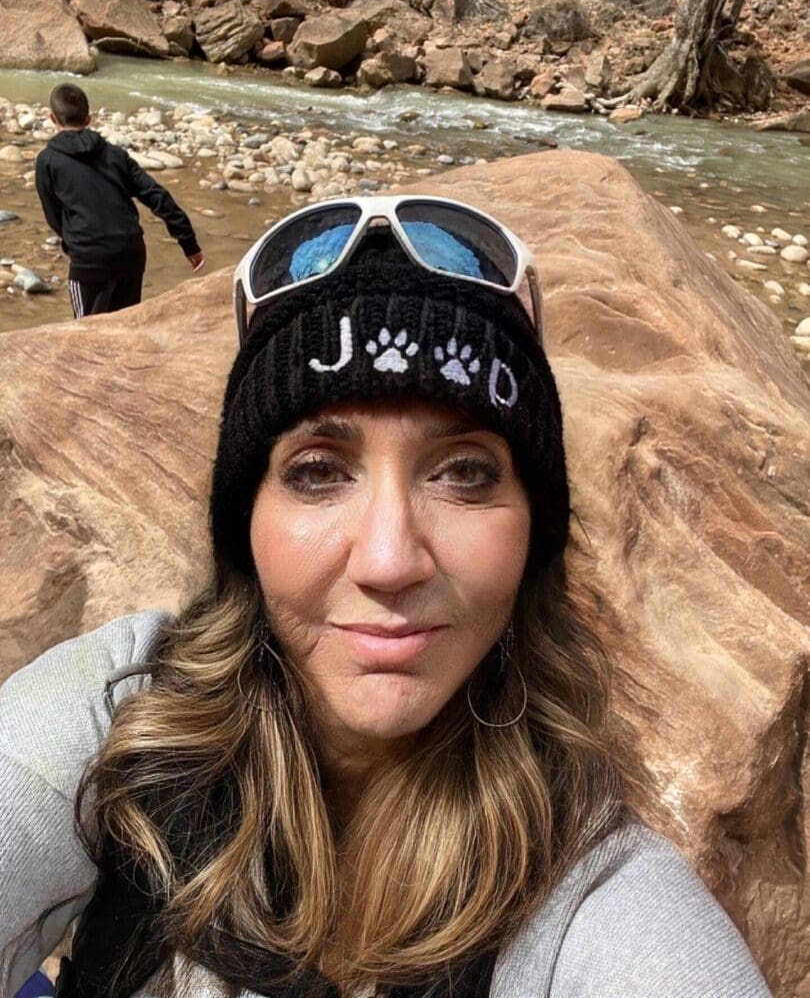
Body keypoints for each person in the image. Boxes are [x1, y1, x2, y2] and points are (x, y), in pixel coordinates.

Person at [0, 196, 772, 998]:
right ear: (246, 527)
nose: (389, 559)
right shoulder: (125, 718)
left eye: (464, 472)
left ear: (534, 533)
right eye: (317, 472)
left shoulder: (595, 901)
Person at [34, 83, 205, 319]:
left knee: (86, 333)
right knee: (125, 326)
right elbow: (156, 195)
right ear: (88, 119)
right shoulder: (115, 155)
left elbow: (52, 213)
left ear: (52, 118)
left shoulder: (48, 160)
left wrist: (71, 240)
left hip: (89, 258)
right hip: (130, 254)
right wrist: (189, 243)